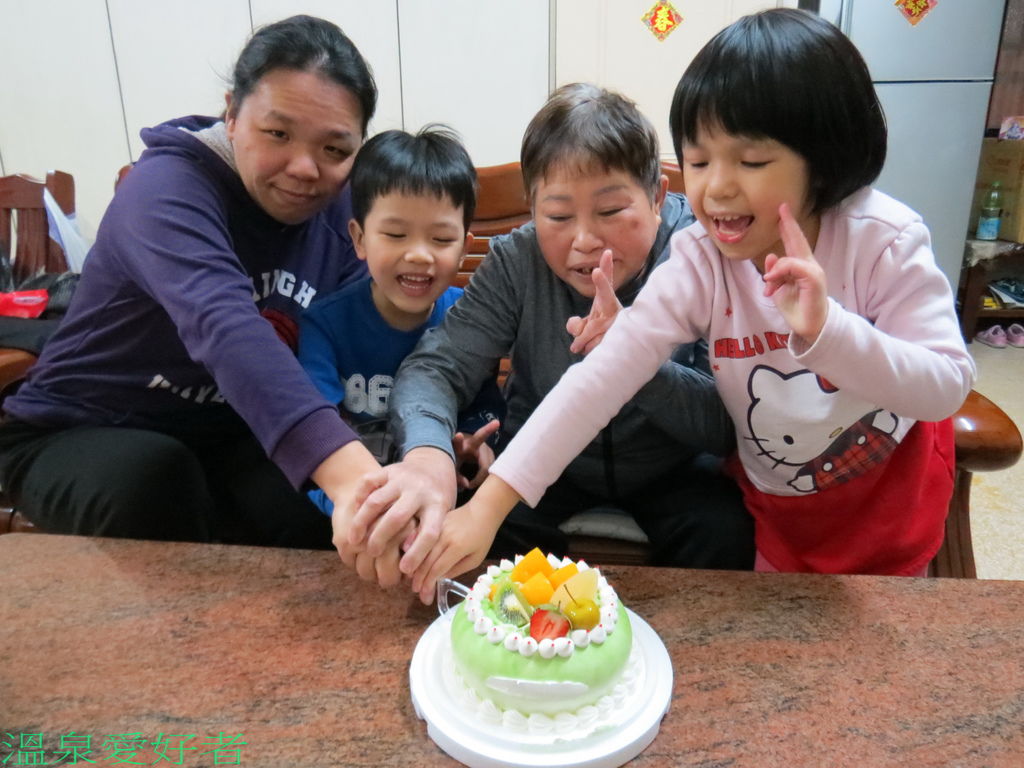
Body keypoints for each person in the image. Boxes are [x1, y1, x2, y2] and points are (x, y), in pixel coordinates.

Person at [412, 8, 977, 595]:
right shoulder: (702, 258)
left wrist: (828, 332)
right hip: (779, 506)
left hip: (884, 497)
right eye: (700, 161)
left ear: (825, 157)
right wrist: (486, 510)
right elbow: (601, 378)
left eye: (750, 161)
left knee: (877, 634)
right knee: (771, 626)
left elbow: (946, 385)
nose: (716, 187)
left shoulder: (885, 240)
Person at [0, 16, 405, 583]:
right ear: (232, 114)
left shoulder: (344, 212)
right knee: (154, 479)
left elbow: (368, 335)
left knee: (302, 507)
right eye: (278, 134)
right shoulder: (166, 190)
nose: (304, 168)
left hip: (226, 430)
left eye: (335, 148)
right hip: (79, 426)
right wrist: (360, 484)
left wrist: (431, 443)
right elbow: (225, 327)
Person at [345, 83, 754, 594]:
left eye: (610, 211)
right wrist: (428, 455)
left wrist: (636, 361)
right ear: (532, 209)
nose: (584, 240)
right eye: (558, 216)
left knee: (724, 533)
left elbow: (726, 425)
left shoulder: (701, 254)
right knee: (473, 536)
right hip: (537, 468)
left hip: (674, 466)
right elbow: (436, 368)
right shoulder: (516, 261)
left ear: (656, 197)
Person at [297, 126, 503, 516]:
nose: (419, 255)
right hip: (349, 501)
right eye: (395, 234)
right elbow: (315, 431)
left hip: (445, 500)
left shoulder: (471, 319)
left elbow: (486, 408)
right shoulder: (324, 324)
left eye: (441, 240)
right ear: (359, 238)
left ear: (465, 248)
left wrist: (477, 446)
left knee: (516, 527)